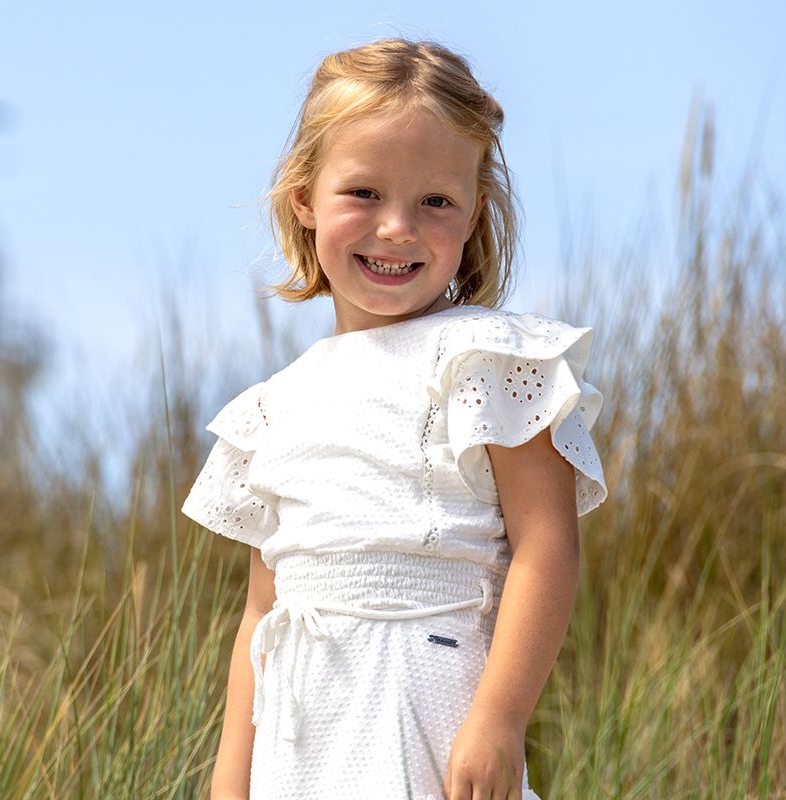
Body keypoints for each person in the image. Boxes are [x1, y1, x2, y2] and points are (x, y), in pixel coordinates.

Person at [181, 37, 608, 800]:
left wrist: (500, 717)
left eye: (435, 202)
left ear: (476, 210)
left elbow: (548, 545)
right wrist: (228, 786)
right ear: (304, 196)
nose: (396, 229)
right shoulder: (274, 405)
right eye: (364, 194)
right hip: (299, 730)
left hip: (426, 707)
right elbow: (261, 614)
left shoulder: (488, 357)